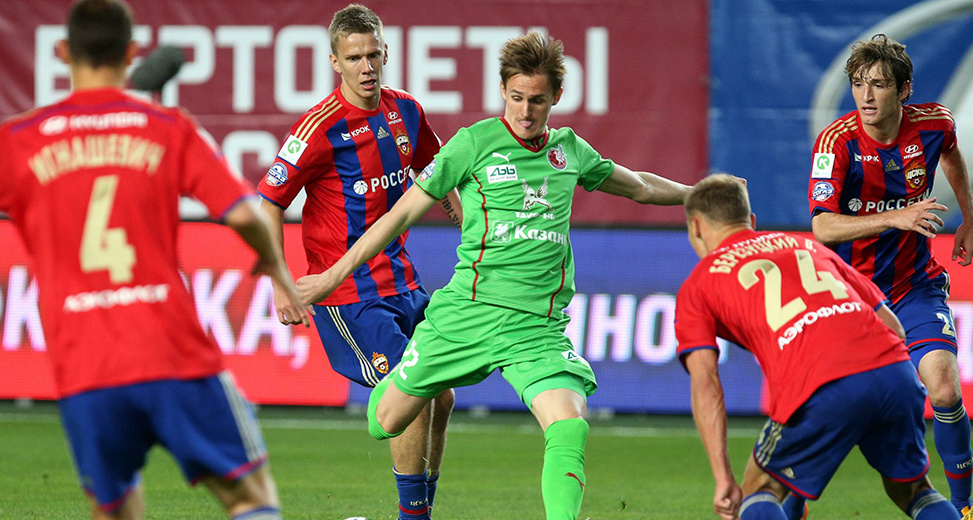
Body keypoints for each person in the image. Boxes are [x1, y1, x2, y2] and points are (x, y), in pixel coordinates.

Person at [294, 30, 692, 520]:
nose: (525, 111)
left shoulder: (569, 150)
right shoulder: (473, 144)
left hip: (535, 328)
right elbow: (397, 216)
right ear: (503, 90)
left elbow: (641, 187)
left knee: (569, 425)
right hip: (465, 315)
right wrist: (332, 276)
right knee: (386, 421)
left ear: (557, 97)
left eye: (537, 100)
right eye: (517, 97)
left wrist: (698, 193)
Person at [0, 1, 309, 519]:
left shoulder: (18, 142)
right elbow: (243, 214)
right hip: (171, 355)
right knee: (249, 497)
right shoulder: (165, 127)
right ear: (132, 53)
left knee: (115, 509)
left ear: (61, 52)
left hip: (85, 370)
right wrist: (274, 263)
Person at [255, 5, 458, 519]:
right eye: (354, 58)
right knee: (410, 389)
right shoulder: (318, 128)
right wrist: (280, 282)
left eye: (372, 55)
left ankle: (422, 509)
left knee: (443, 395)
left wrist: (467, 226)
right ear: (334, 62)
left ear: (385, 52)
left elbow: (435, 173)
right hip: (349, 293)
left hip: (402, 280)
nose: (366, 67)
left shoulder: (406, 111)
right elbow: (269, 202)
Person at [676, 174, 962, 520]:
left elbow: (706, 383)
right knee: (915, 491)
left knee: (759, 489)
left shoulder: (699, 283)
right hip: (895, 372)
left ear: (696, 226)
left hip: (819, 383)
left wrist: (723, 477)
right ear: (750, 220)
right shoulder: (806, 246)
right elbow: (894, 327)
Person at [807, 34, 973, 520]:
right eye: (858, 84)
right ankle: (788, 502)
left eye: (879, 85)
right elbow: (823, 227)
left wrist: (970, 216)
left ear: (904, 89)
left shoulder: (934, 123)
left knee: (945, 390)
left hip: (913, 287)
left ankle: (964, 509)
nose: (865, 96)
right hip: (852, 297)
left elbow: (951, 152)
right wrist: (895, 216)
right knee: (822, 409)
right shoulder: (836, 143)